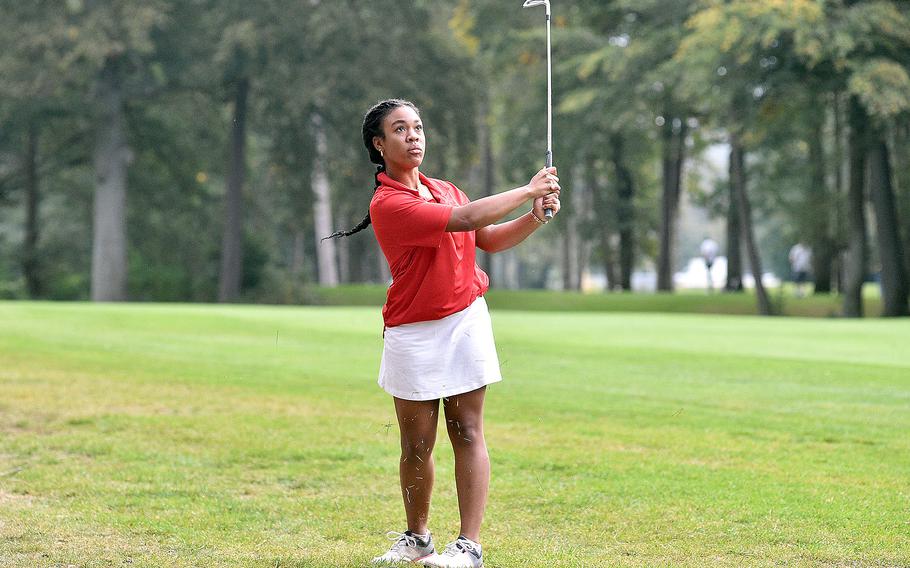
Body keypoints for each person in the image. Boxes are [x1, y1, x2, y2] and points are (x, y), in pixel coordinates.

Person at [324, 99, 560, 568]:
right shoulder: (388, 203)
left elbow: (486, 239)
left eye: (417, 127)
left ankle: (468, 546)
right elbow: (470, 220)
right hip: (412, 330)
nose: (413, 136)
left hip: (465, 320)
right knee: (416, 444)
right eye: (399, 129)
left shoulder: (447, 189)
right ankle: (418, 537)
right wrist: (528, 188)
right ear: (379, 144)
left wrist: (534, 214)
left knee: (468, 431)